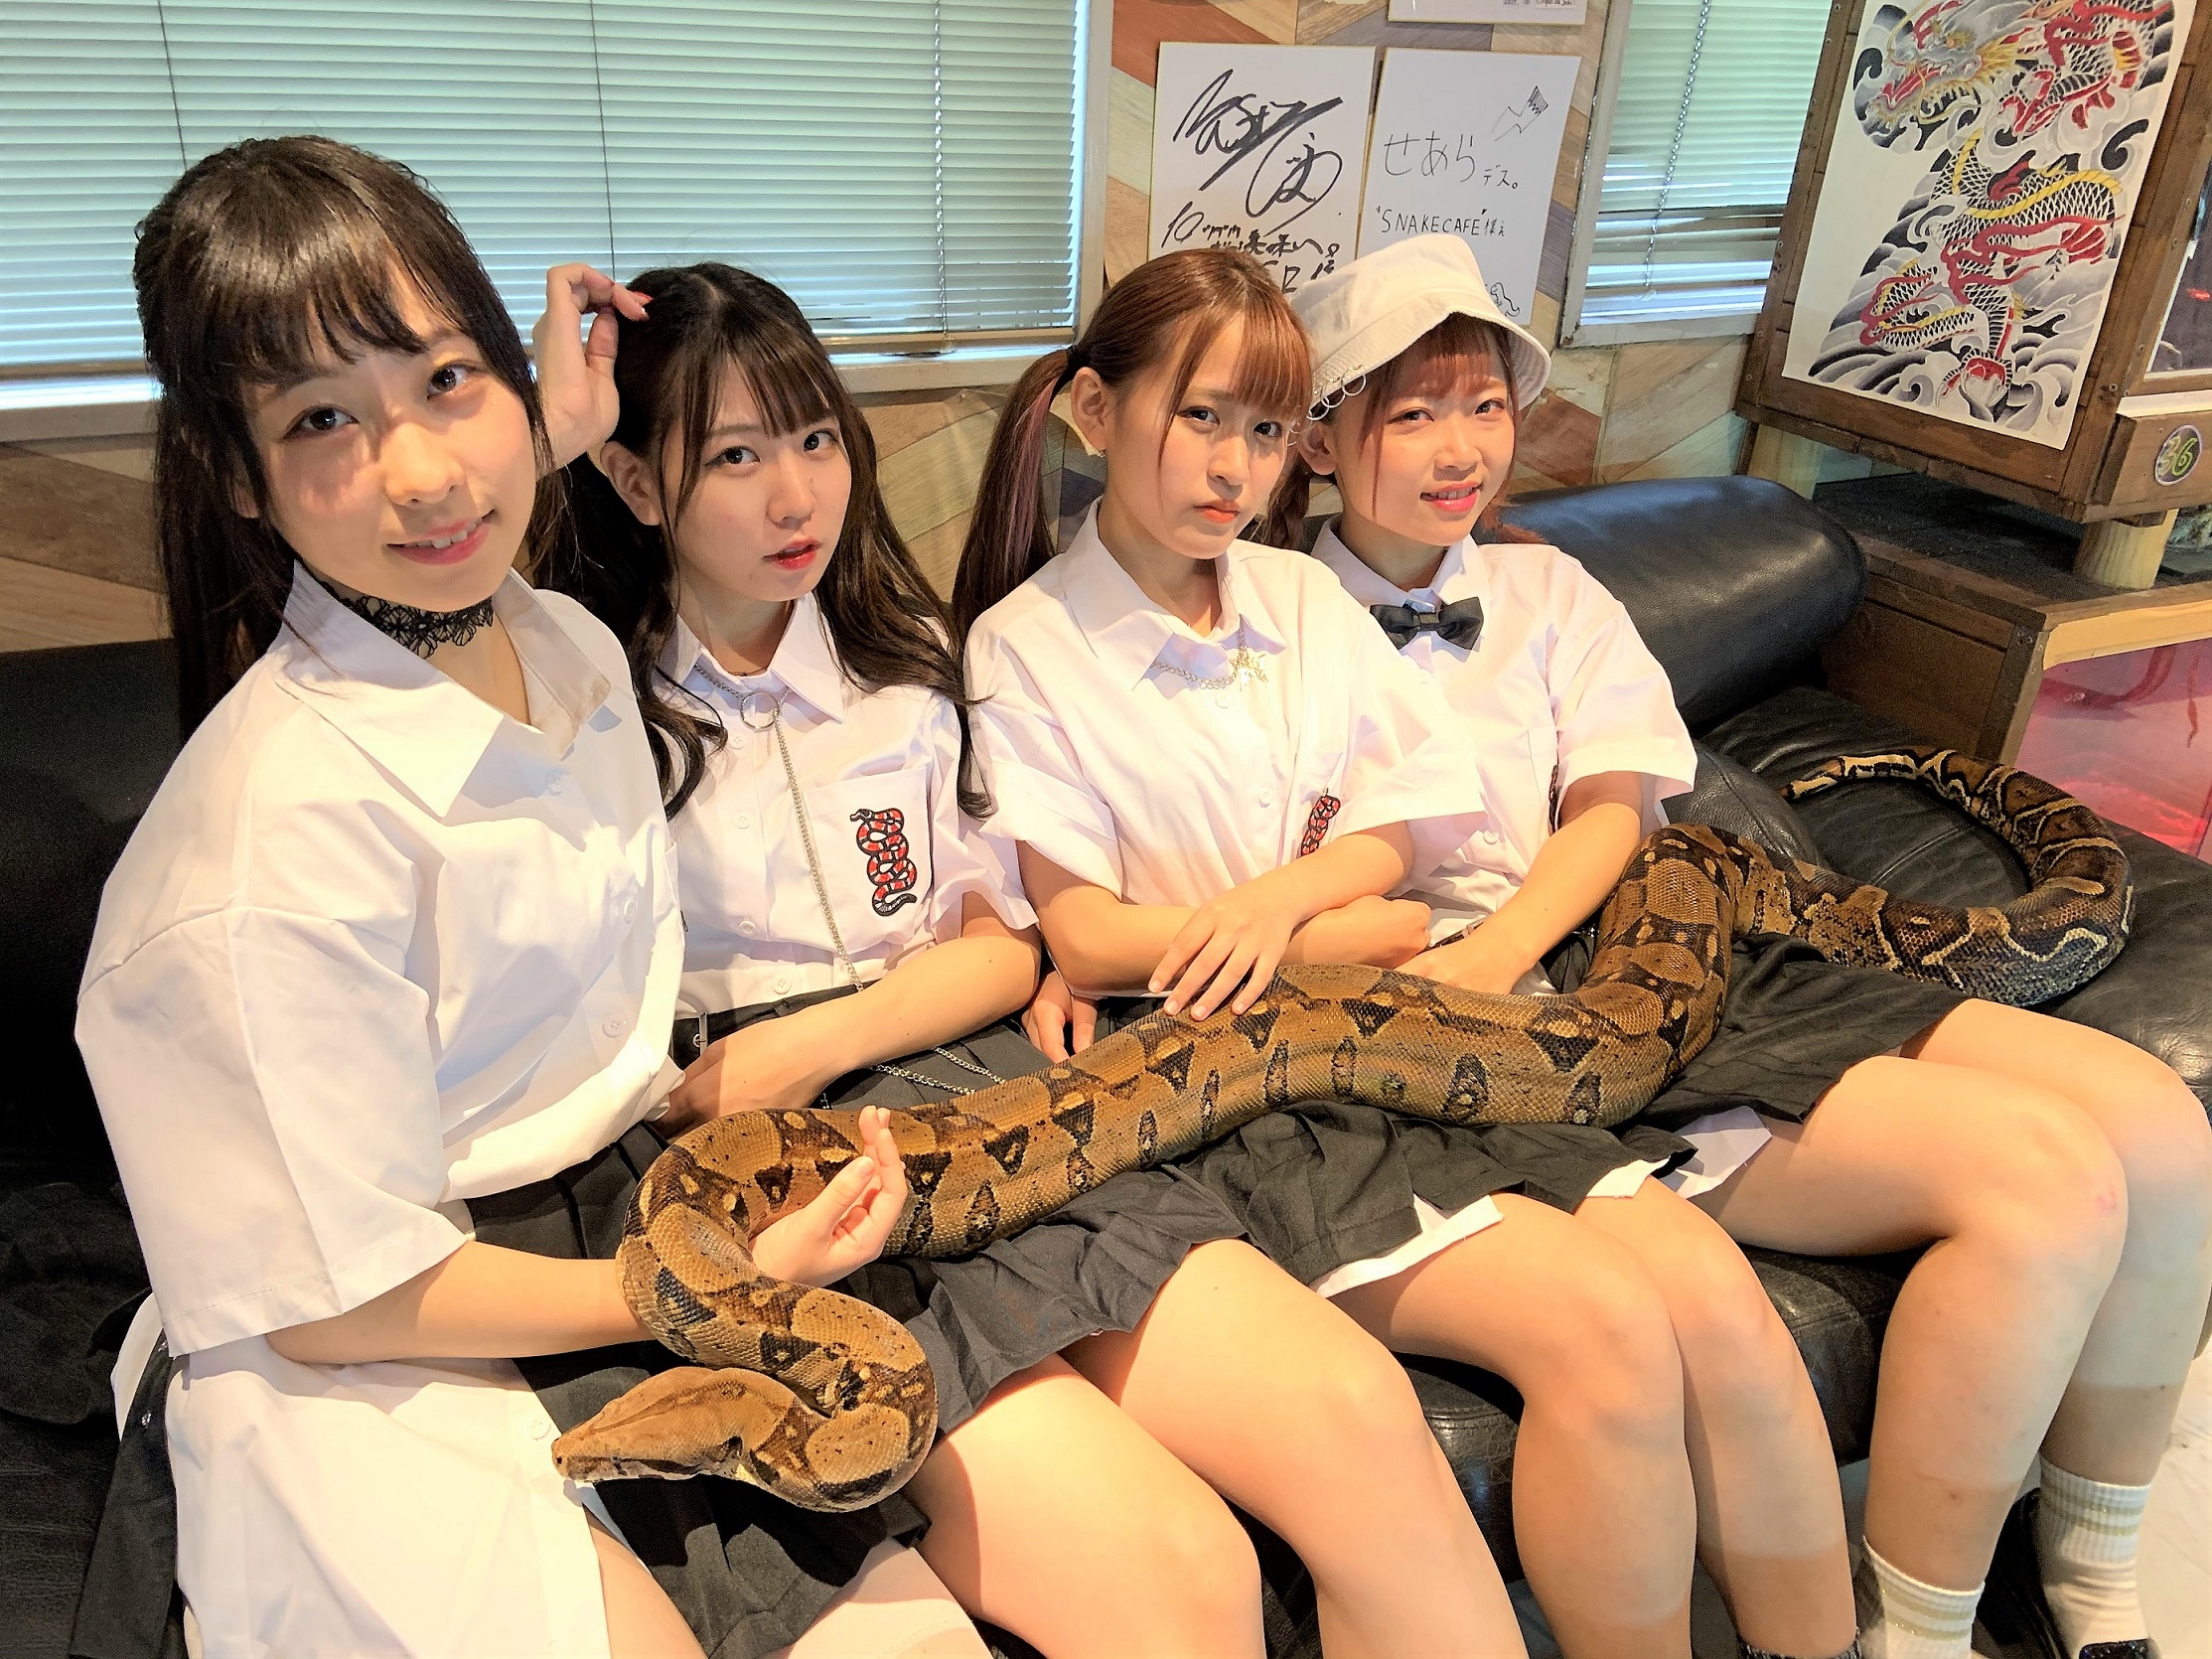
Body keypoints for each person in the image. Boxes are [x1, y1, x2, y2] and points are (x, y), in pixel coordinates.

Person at [1273, 232, 2212, 1659]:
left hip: (1654, 937)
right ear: (1321, 439)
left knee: (2157, 1128)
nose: (1463, 448)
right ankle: (1917, 1629)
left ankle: (2075, 1575)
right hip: (1521, 1023)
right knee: (2049, 1183)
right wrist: (1466, 969)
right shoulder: (1263, 625)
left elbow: (1613, 805)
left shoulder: (1548, 593)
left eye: (1487, 405)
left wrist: (1508, 941)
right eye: (1413, 413)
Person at [75, 135, 935, 1659]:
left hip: (628, 1204)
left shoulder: (563, 643)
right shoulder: (250, 863)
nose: (422, 471)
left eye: (445, 379)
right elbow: (338, 1295)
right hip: (376, 1346)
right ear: (238, 477)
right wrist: (701, 1296)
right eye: (322, 418)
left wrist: (557, 415)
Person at [962, 243, 1851, 1659]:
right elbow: (1088, 932)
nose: (1235, 467)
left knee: (1691, 1301)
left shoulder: (1301, 599)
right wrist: (1319, 927)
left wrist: (1278, 907)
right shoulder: (1027, 644)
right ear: (1089, 410)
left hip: (1396, 1034)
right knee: (1603, 1327)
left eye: (1265, 430)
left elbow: (1398, 850)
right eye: (1201, 417)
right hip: (1218, 1084)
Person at [559, 257, 1291, 1659]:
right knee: (1174, 1570)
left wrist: (817, 1040)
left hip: (944, 1087)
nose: (797, 496)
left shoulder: (904, 672)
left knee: (1245, 1522)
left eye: (816, 438)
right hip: (732, 1161)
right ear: (638, 482)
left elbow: (999, 948)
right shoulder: (586, 712)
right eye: (735, 456)